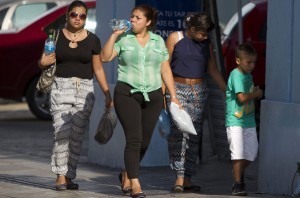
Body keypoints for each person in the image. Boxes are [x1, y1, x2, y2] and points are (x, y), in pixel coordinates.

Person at [100, 4, 180, 198]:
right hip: (126, 94)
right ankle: (136, 184)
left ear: (148, 22)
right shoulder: (123, 38)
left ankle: (128, 173)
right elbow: (105, 57)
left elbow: (165, 69)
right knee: (134, 139)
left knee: (144, 142)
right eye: (132, 17)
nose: (133, 20)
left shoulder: (158, 41)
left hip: (153, 96)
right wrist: (113, 35)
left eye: (137, 18)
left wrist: (173, 96)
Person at [38, 0, 112, 191]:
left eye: (82, 16)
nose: (78, 18)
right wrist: (42, 62)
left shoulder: (93, 39)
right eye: (74, 14)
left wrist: (107, 93)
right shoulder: (55, 37)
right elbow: (43, 63)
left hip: (85, 90)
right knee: (61, 133)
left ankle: (69, 175)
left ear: (86, 18)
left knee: (76, 136)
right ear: (67, 16)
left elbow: (98, 68)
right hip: (60, 87)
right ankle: (60, 176)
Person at [164, 13, 227, 193]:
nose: (205, 37)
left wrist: (226, 91)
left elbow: (212, 69)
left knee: (193, 136)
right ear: (192, 29)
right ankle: (179, 177)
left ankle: (188, 179)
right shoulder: (175, 38)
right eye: (202, 33)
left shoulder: (206, 43)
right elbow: (164, 66)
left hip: (199, 90)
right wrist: (165, 94)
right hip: (176, 89)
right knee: (178, 135)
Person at [225, 43, 263, 196]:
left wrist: (254, 92)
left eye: (254, 62)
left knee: (252, 153)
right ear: (238, 61)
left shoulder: (248, 76)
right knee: (238, 154)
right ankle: (238, 183)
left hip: (249, 121)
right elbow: (241, 98)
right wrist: (257, 93)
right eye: (249, 62)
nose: (252, 65)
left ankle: (237, 172)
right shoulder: (236, 75)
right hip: (235, 121)